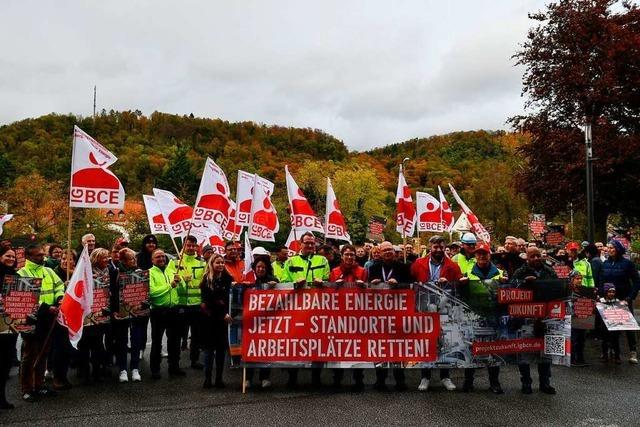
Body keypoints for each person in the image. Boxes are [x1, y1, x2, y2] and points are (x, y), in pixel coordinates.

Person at [411, 236, 460, 392]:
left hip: (444, 309)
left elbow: (458, 285)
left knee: (444, 343)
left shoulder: (452, 266)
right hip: (424, 308)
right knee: (426, 342)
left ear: (444, 248)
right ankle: (425, 377)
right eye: (435, 247)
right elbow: (410, 281)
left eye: (441, 247)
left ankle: (445, 377)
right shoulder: (419, 264)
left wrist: (450, 283)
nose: (438, 250)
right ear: (430, 248)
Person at [17, 244, 65, 402]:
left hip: (49, 318)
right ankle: (27, 388)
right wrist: (46, 308)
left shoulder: (49, 271)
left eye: (43, 254)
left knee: (44, 352)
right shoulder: (21, 274)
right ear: (28, 257)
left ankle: (39, 384)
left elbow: (59, 287)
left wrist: (59, 298)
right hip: (32, 318)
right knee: (30, 354)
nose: (42, 257)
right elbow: (25, 299)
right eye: (38, 255)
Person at [280, 232, 329, 387]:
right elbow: (283, 282)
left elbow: (329, 282)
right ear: (300, 244)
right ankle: (292, 376)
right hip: (296, 309)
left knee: (318, 343)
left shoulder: (322, 260)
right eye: (306, 243)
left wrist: (323, 283)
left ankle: (316, 377)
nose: (309, 245)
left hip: (317, 308)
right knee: (294, 342)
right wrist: (295, 284)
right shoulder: (290, 261)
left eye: (312, 243)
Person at [460, 242, 505, 393]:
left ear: (489, 255)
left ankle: (494, 382)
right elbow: (462, 295)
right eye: (479, 253)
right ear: (475, 255)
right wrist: (462, 284)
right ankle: (468, 381)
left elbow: (506, 294)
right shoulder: (468, 271)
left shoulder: (499, 272)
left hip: (493, 316)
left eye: (484, 253)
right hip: (474, 316)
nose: (481, 256)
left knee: (493, 351)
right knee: (471, 349)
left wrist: (504, 284)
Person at [512, 247, 558, 395]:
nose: (537, 258)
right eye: (533, 256)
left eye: (539, 255)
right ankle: (526, 382)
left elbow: (556, 289)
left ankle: (545, 382)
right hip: (527, 317)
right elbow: (512, 290)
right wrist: (525, 283)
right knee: (524, 351)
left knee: (545, 352)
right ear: (527, 258)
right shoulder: (520, 272)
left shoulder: (549, 271)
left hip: (545, 316)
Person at [368, 241, 411, 391]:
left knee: (398, 346)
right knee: (380, 347)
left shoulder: (404, 267)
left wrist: (398, 284)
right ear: (379, 252)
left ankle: (400, 380)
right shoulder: (373, 268)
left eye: (390, 249)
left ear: (394, 252)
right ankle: (380, 379)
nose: (388, 252)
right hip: (379, 313)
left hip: (398, 312)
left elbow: (410, 286)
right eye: (384, 250)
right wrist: (371, 283)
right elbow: (367, 291)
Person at [328, 245, 368, 391]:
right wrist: (334, 286)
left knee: (357, 348)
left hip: (357, 315)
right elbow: (328, 294)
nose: (350, 257)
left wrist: (365, 287)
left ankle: (358, 379)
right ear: (342, 256)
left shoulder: (362, 271)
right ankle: (337, 379)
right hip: (339, 315)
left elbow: (369, 292)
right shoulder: (335, 271)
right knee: (338, 347)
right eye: (347, 255)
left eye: (352, 255)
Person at [599, 240, 640, 364]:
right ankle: (611, 351)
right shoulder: (605, 263)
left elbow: (637, 281)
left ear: (618, 249)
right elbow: (601, 280)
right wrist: (601, 295)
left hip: (624, 300)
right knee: (610, 326)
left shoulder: (627, 264)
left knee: (628, 327)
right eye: (608, 248)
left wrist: (630, 297)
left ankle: (633, 351)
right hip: (608, 300)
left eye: (612, 248)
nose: (609, 250)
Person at [168, 235, 206, 370]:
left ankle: (194, 360)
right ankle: (174, 363)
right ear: (183, 246)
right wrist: (182, 279)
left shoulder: (202, 262)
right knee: (176, 336)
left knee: (196, 336)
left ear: (196, 246)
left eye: (192, 245)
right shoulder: (175, 262)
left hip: (196, 305)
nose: (190, 248)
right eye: (188, 245)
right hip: (180, 304)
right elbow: (170, 278)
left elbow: (206, 282)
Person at [77, 248, 114, 384]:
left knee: (98, 345)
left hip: (101, 313)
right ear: (96, 259)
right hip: (87, 315)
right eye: (104, 257)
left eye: (108, 257)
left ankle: (97, 372)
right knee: (85, 345)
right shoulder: (85, 272)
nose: (108, 260)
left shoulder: (109, 271)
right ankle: (85, 373)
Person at [149, 249, 185, 379]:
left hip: (174, 310)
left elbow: (181, 289)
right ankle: (155, 369)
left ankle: (174, 366)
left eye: (163, 256)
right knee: (157, 341)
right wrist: (170, 285)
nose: (161, 259)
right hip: (158, 311)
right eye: (158, 257)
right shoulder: (150, 273)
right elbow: (152, 292)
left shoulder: (172, 271)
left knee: (175, 341)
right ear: (152, 260)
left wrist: (181, 282)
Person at [242, 258, 278, 389]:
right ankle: (248, 378)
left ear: (266, 268)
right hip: (252, 321)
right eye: (258, 267)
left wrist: (276, 286)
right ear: (254, 268)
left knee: (266, 349)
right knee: (251, 349)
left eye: (263, 267)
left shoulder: (273, 280)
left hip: (268, 322)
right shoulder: (250, 280)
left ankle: (265, 377)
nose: (260, 269)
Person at [200, 254, 233, 388]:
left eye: (222, 262)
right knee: (209, 351)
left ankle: (219, 378)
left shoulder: (228, 279)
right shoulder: (206, 280)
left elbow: (228, 299)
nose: (220, 265)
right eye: (217, 262)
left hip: (223, 321)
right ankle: (207, 378)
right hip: (210, 319)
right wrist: (222, 313)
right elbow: (208, 301)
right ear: (211, 264)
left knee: (221, 351)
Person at [114, 248, 145, 382]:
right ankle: (122, 369)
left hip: (137, 312)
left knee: (136, 340)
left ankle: (135, 368)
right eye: (131, 259)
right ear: (123, 261)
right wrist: (114, 310)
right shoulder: (116, 273)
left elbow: (145, 292)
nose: (134, 261)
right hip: (121, 312)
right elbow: (111, 293)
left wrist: (143, 305)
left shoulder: (140, 273)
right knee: (121, 341)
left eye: (135, 258)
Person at [0, 247, 18, 408]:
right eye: (7, 256)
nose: (11, 259)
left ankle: (2, 397)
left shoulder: (16, 276)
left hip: (9, 325)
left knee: (6, 360)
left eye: (13, 256)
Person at [567, 270, 591, 367]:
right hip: (572, 317)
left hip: (582, 318)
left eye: (581, 279)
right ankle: (572, 359)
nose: (579, 280)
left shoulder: (584, 289)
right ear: (572, 279)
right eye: (577, 278)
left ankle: (580, 358)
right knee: (573, 338)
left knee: (582, 339)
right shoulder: (567, 290)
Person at [598, 283, 622, 363]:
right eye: (609, 292)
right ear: (606, 292)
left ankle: (617, 356)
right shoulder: (601, 301)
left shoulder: (617, 301)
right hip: (604, 325)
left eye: (613, 292)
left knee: (616, 341)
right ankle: (605, 355)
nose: (611, 293)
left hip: (615, 325)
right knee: (605, 340)